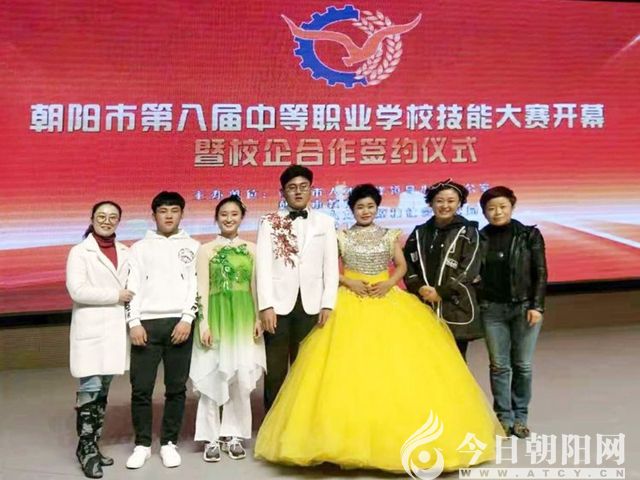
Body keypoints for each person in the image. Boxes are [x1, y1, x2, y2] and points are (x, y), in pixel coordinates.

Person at [255, 184, 502, 473]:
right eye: (360, 207)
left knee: (395, 370)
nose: (365, 211)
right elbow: (326, 268)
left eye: (370, 206)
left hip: (387, 300)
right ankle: (337, 441)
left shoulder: (389, 234)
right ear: (352, 210)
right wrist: (349, 281)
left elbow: (401, 266)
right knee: (344, 372)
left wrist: (389, 283)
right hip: (350, 301)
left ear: (377, 208)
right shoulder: (341, 236)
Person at [124, 191, 200, 469]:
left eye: (174, 210)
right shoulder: (139, 248)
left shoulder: (194, 246)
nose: (168, 215)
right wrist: (133, 322)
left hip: (179, 325)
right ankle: (142, 444)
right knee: (141, 389)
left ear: (182, 214)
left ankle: (169, 443)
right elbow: (132, 287)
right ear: (154, 215)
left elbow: (195, 286)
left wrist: (187, 319)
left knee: (176, 388)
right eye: (163, 211)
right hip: (146, 326)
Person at [256, 165, 339, 411]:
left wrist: (327, 303)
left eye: (303, 187)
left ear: (312, 190)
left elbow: (330, 267)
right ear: (283, 192)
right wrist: (266, 306)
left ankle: (302, 423)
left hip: (312, 305)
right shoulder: (270, 222)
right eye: (292, 188)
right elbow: (262, 266)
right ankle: (272, 424)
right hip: (278, 305)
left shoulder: (326, 222)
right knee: (275, 371)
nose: (298, 192)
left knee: (306, 369)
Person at [190, 195, 266, 462]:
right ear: (216, 218)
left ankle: (234, 435)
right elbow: (201, 288)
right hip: (216, 315)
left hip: (244, 317)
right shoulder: (206, 250)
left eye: (234, 214)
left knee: (240, 379)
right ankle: (210, 437)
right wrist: (203, 323)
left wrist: (258, 318)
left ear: (242, 217)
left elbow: (256, 287)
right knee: (212, 375)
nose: (229, 219)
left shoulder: (252, 249)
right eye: (223, 214)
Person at [66, 200, 132, 479]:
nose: (107, 220)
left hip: (114, 332)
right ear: (92, 219)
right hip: (91, 331)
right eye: (101, 216)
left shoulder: (125, 251)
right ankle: (85, 450)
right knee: (90, 389)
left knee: (102, 392)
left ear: (118, 221)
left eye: (113, 217)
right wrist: (116, 295)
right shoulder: (80, 252)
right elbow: (77, 291)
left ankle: (93, 445)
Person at [478, 186, 547, 438]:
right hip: (492, 309)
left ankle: (520, 417)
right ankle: (503, 419)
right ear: (484, 212)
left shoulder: (529, 235)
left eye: (502, 207)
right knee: (499, 366)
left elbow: (540, 272)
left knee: (523, 365)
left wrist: (537, 305)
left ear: (512, 207)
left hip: (524, 307)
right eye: (491, 208)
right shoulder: (479, 237)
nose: (497, 212)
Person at [403, 179, 482, 360]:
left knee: (456, 360)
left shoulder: (469, 232)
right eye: (439, 201)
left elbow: (469, 269)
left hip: (455, 305)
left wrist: (442, 292)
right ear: (431, 203)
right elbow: (408, 264)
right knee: (425, 359)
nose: (445, 206)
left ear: (459, 204)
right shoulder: (419, 232)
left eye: (451, 201)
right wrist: (418, 287)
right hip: (423, 303)